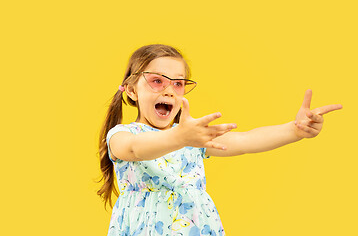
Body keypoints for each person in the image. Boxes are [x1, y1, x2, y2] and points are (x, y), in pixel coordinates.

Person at [97, 44, 343, 235]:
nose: (169, 90)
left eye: (178, 83)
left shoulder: (193, 137)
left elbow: (246, 141)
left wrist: (295, 130)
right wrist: (179, 137)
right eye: (157, 81)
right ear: (131, 90)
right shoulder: (122, 135)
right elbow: (134, 150)